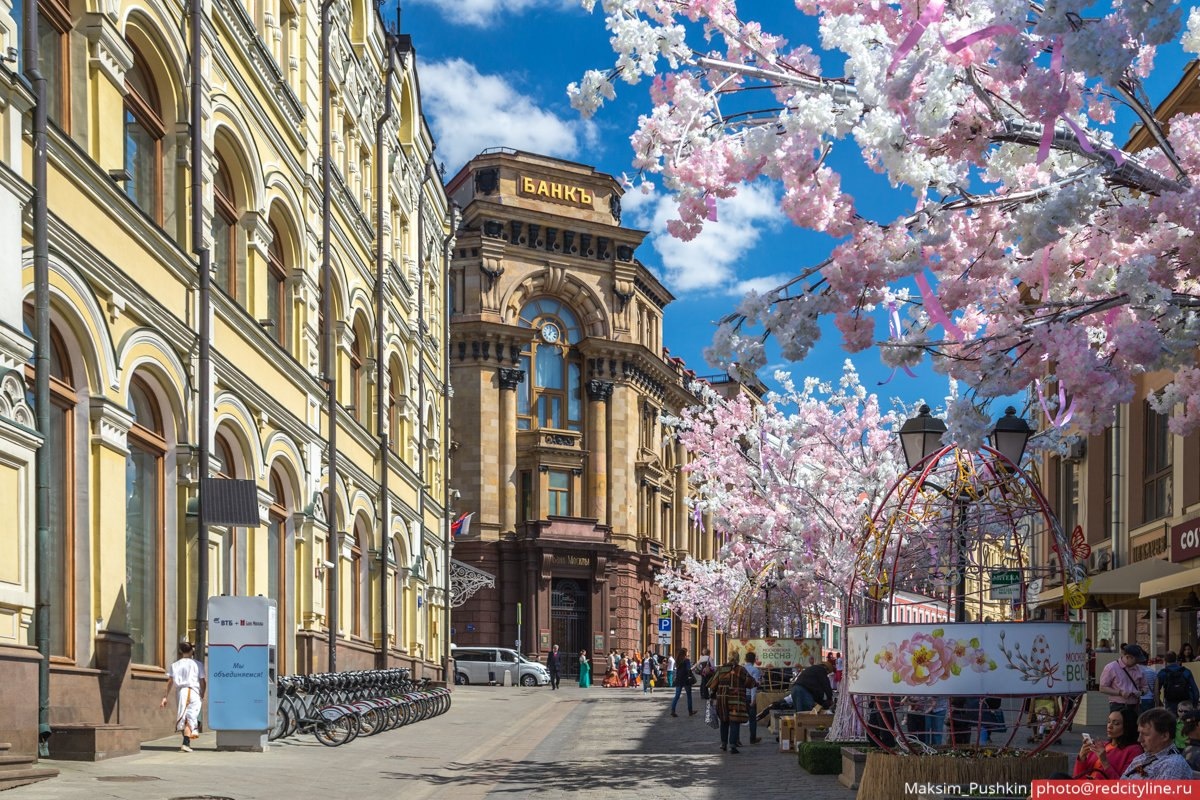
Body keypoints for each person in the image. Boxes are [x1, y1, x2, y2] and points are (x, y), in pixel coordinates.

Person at [1120, 708, 1194, 779]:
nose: (1139, 739)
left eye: (1145, 734)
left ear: (1164, 736)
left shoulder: (1174, 765)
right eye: (1139, 733)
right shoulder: (1141, 758)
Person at [707, 650, 758, 754]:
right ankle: (733, 745)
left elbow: (712, 684)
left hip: (722, 700)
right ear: (738, 658)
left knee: (724, 721)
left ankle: (723, 744)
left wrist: (713, 696)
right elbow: (749, 682)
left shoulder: (721, 669)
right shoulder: (740, 670)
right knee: (734, 721)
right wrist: (757, 683)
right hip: (735, 700)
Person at [160, 641, 205, 753]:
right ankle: (186, 742)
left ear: (180, 651)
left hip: (180, 692)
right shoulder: (197, 664)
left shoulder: (175, 665)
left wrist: (165, 697)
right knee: (191, 716)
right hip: (193, 692)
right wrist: (202, 692)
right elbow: (202, 681)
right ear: (191, 651)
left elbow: (169, 682)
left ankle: (186, 742)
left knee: (184, 715)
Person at [1072, 708, 1142, 780]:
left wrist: (1104, 761)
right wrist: (1082, 757)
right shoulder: (1103, 745)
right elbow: (1077, 777)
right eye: (1108, 722)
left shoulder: (1134, 750)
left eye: (1116, 723)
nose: (1109, 726)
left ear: (1128, 726)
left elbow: (1124, 784)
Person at [1099, 644, 1149, 713]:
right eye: (1136, 660)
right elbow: (1102, 688)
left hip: (1135, 706)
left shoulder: (1139, 669)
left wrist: (1141, 692)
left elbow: (1145, 687)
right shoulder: (1111, 667)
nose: (1138, 662)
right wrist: (1120, 692)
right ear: (1128, 657)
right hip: (1117, 705)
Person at [1157, 651, 1200, 715]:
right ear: (1176, 659)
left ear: (1165, 660)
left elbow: (1156, 690)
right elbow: (1195, 690)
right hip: (1185, 703)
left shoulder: (1162, 673)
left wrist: (1158, 703)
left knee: (1172, 722)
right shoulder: (1186, 671)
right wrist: (1195, 704)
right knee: (1185, 722)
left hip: (1170, 704)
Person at [670, 647, 697, 717]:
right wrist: (694, 666)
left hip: (679, 679)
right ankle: (690, 711)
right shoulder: (687, 660)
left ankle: (673, 710)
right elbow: (688, 669)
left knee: (677, 695)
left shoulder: (678, 661)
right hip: (686, 680)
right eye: (687, 652)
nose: (688, 653)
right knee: (689, 696)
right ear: (685, 653)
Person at [743, 651, 762, 744]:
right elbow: (753, 686)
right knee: (752, 719)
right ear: (754, 660)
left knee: (738, 718)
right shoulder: (755, 670)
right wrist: (753, 699)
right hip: (750, 696)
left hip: (741, 696)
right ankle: (752, 738)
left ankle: (737, 740)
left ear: (745, 659)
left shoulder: (741, 669)